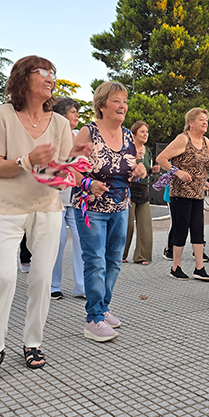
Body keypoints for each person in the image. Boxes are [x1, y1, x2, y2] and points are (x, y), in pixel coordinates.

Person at [0, 56, 79, 383]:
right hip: (7, 206)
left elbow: (62, 171)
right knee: (3, 276)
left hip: (46, 207)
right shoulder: (1, 115)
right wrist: (27, 159)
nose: (51, 78)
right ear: (23, 77)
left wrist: (70, 174)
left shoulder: (61, 125)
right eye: (43, 72)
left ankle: (32, 342)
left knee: (42, 280)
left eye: (53, 72)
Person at [73, 81, 146, 342]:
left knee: (114, 260)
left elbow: (132, 168)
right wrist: (89, 183)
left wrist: (140, 171)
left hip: (121, 206)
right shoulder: (88, 132)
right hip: (91, 208)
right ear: (102, 105)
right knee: (95, 261)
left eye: (124, 101)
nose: (122, 105)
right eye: (116, 100)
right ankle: (93, 318)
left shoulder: (128, 135)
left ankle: (103, 308)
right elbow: (71, 169)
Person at [156, 108, 209, 281]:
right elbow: (161, 158)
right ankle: (175, 267)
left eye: (206, 119)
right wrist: (177, 171)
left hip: (198, 193)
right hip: (181, 192)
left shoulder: (206, 141)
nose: (205, 122)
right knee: (181, 228)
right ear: (190, 122)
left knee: (198, 229)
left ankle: (199, 268)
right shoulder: (183, 138)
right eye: (201, 119)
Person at [51, 98, 86, 300]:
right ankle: (53, 285)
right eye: (73, 112)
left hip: (76, 198)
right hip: (55, 197)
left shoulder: (77, 135)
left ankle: (81, 286)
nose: (77, 116)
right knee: (58, 241)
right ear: (62, 115)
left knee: (82, 240)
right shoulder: (52, 136)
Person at [123, 121, 159, 266]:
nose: (145, 134)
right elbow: (120, 167)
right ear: (134, 133)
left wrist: (152, 170)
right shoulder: (127, 148)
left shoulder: (148, 151)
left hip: (144, 191)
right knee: (128, 225)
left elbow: (146, 170)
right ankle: (120, 254)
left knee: (145, 225)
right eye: (142, 131)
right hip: (129, 190)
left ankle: (142, 256)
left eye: (147, 132)